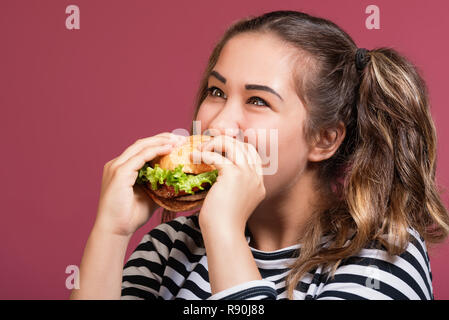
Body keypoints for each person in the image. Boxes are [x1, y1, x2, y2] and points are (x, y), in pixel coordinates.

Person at [70, 10, 449, 300]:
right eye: (216, 92)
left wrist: (223, 232)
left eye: (257, 100)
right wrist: (111, 232)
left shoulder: (384, 256)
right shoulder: (170, 247)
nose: (219, 123)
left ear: (324, 139)